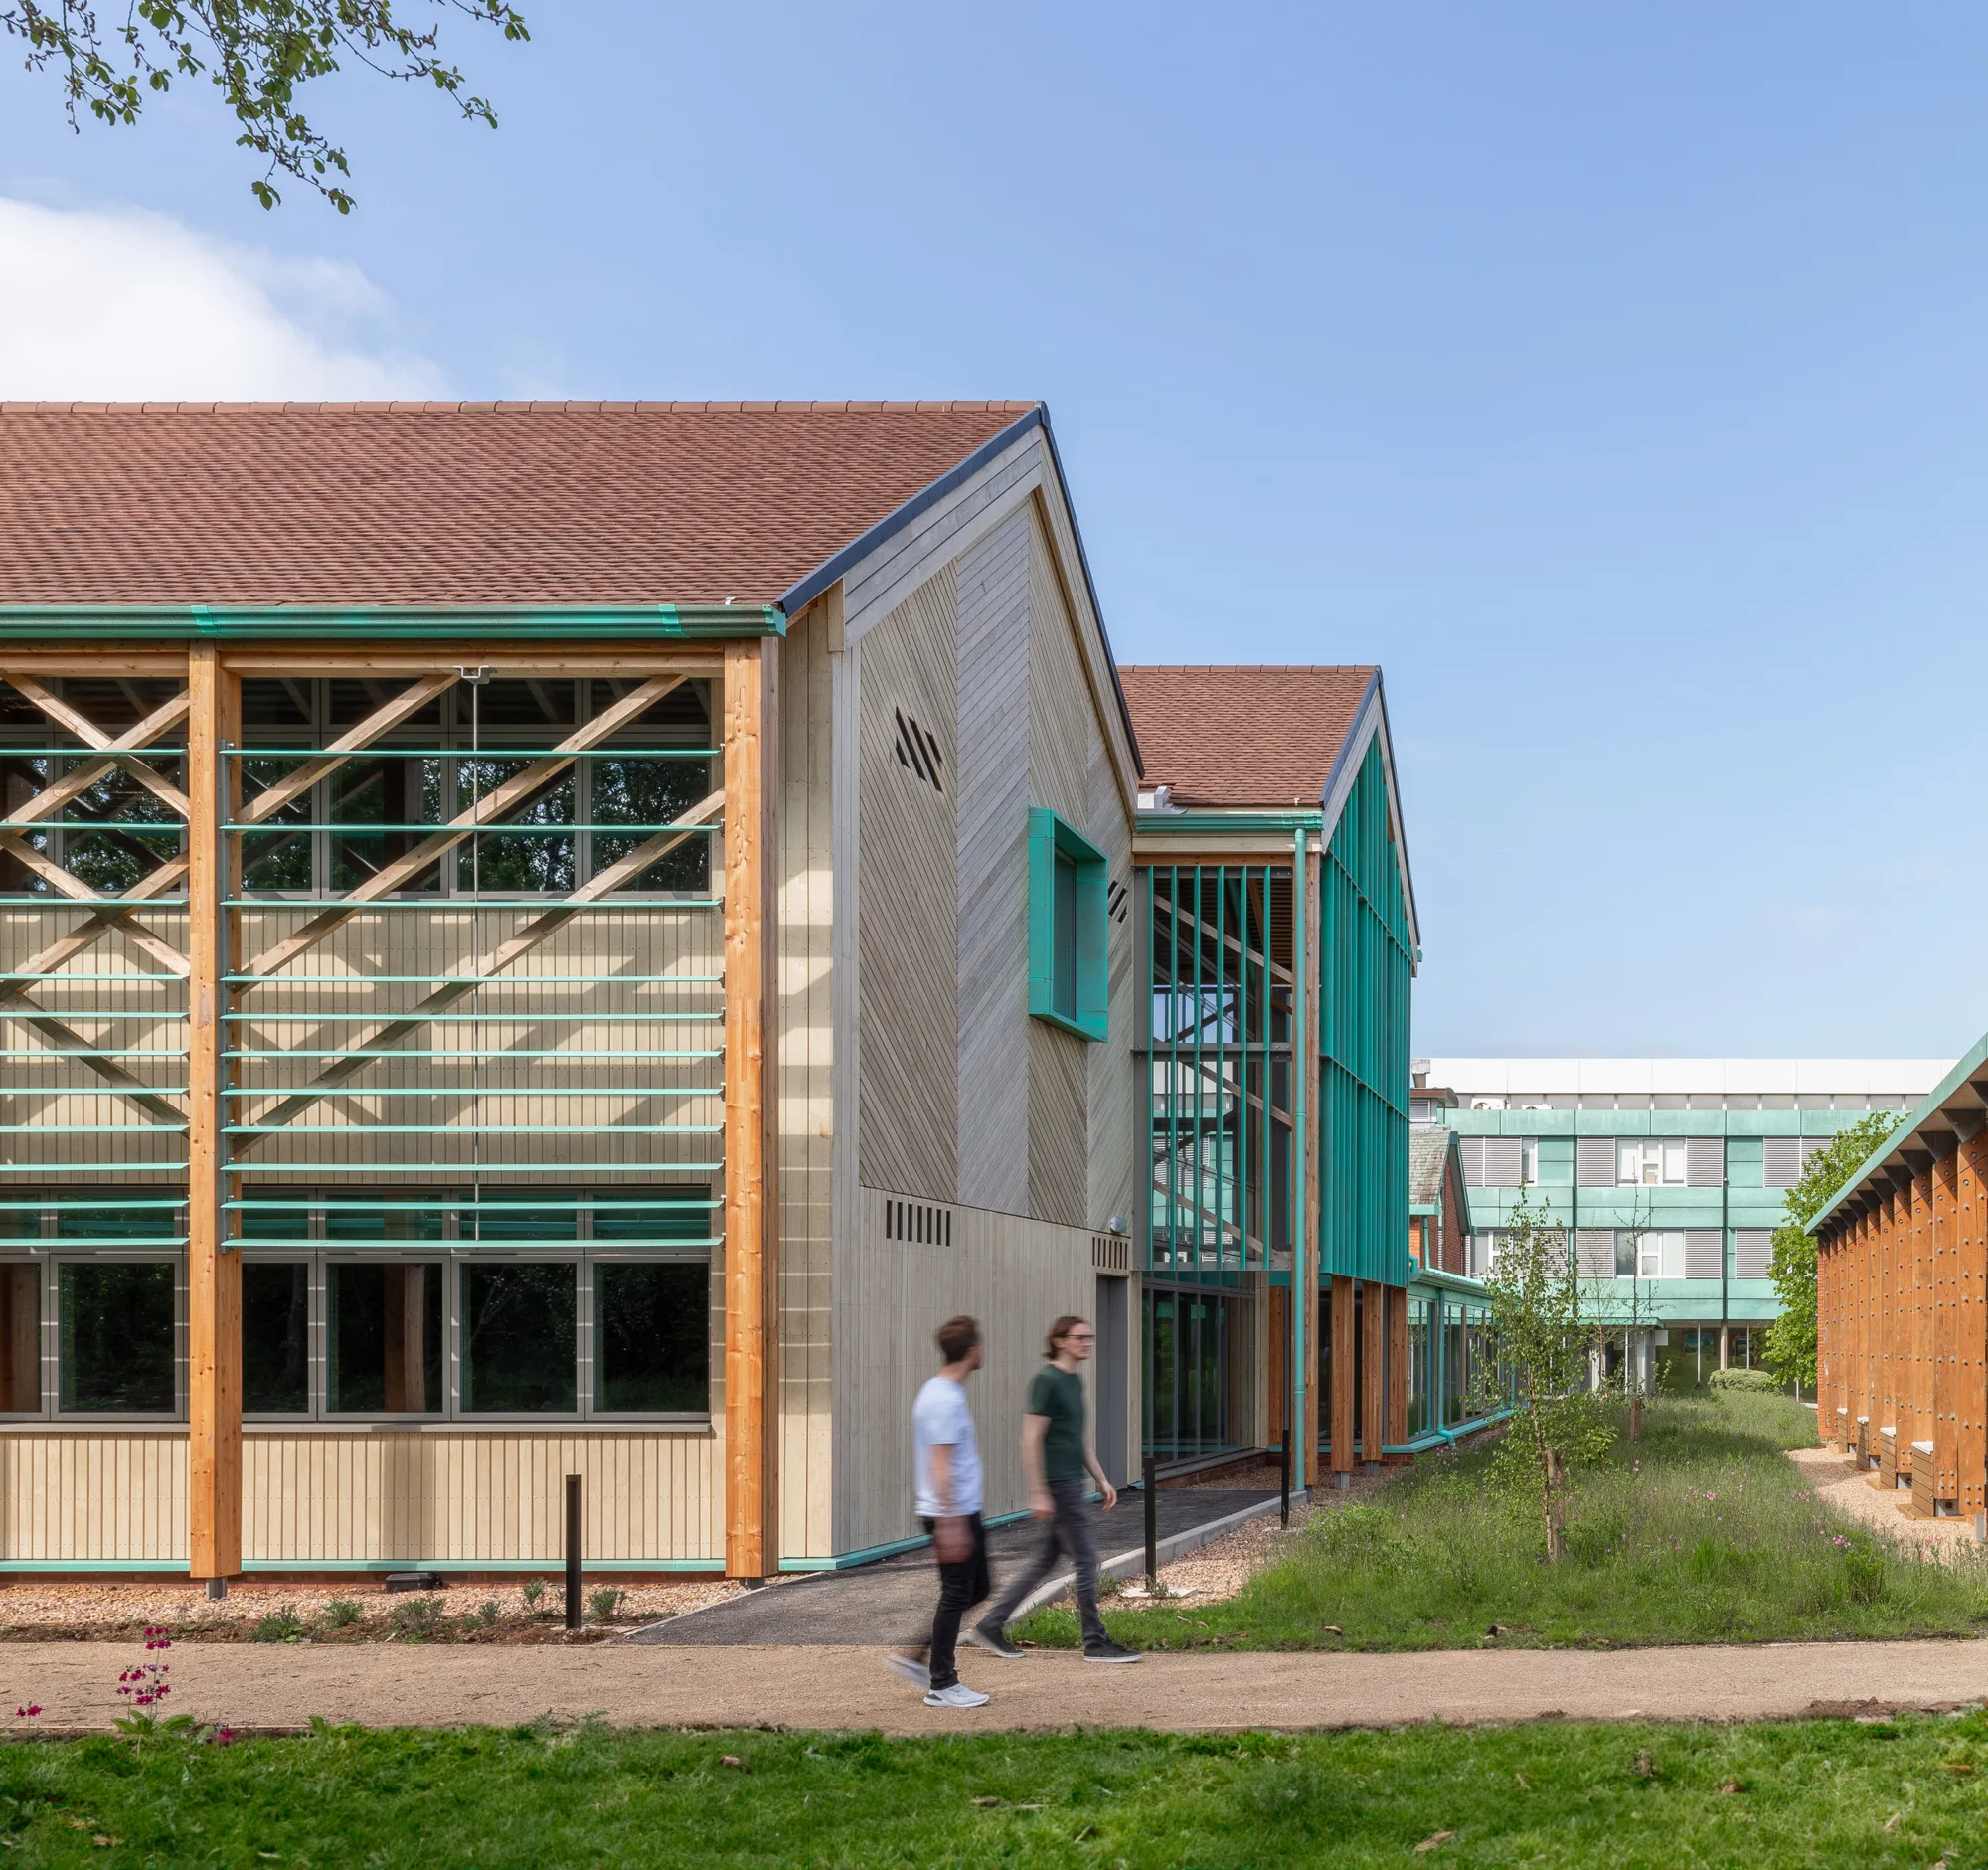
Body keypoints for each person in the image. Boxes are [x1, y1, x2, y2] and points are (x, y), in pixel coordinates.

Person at [973, 1314, 1143, 1665]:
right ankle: (1095, 1642)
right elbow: (1031, 1436)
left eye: (1089, 1337)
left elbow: (1077, 1436)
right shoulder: (1047, 1380)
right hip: (1058, 1485)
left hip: (1071, 1483)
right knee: (1087, 1560)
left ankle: (991, 1624)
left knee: (1044, 1561)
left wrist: (1101, 1478)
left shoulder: (1074, 1381)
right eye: (1081, 1337)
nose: (1088, 1343)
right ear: (1060, 1341)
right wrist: (1037, 1491)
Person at [885, 1314, 993, 1709]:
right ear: (972, 1351)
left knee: (978, 1588)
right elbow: (941, 1465)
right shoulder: (945, 1398)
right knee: (957, 1593)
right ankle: (943, 1683)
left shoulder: (940, 1390)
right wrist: (950, 1524)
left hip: (961, 1509)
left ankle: (920, 1659)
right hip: (953, 1512)